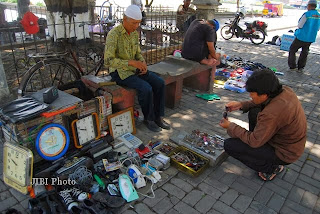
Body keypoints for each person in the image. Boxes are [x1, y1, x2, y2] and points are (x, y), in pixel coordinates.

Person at [219, 69, 307, 181]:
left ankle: (271, 168)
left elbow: (254, 141)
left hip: (284, 153)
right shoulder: (284, 90)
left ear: (264, 94)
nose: (250, 96)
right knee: (254, 110)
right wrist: (241, 105)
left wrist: (230, 126)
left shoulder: (271, 113)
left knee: (229, 145)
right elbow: (259, 103)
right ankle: (261, 149)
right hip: (288, 143)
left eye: (252, 94)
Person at [104, 5, 170, 132]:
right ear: (124, 19)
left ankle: (158, 117)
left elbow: (138, 53)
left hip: (134, 69)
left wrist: (142, 63)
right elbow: (108, 61)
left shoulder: (134, 34)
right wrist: (131, 63)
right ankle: (149, 119)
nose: (136, 26)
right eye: (133, 23)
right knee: (146, 88)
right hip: (119, 72)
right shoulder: (114, 34)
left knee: (159, 83)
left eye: (138, 23)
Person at [181, 19, 220, 90]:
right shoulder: (209, 29)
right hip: (196, 56)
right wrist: (216, 59)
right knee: (214, 59)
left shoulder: (196, 21)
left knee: (212, 55)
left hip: (184, 53)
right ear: (213, 27)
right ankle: (209, 85)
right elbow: (211, 48)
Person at [288, 0, 320, 73]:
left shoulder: (307, 14)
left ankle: (292, 66)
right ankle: (301, 67)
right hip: (310, 38)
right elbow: (318, 28)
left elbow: (300, 25)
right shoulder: (318, 15)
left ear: (309, 6)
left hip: (301, 37)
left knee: (292, 50)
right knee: (304, 52)